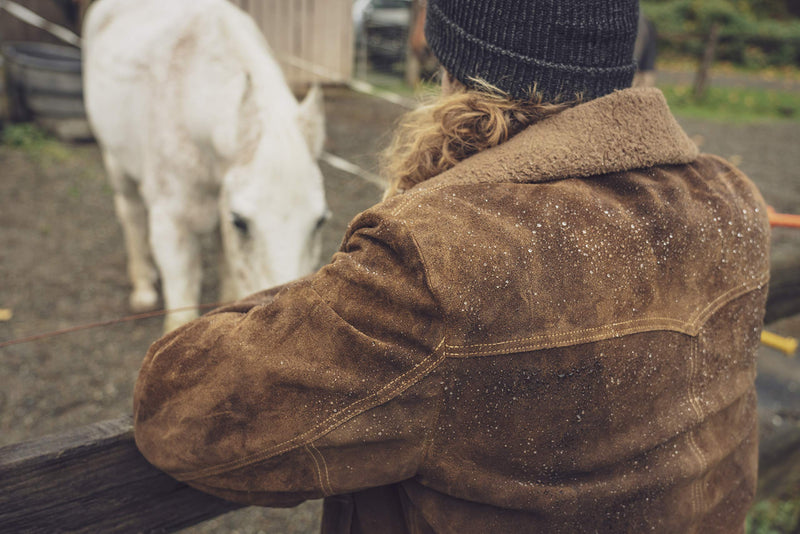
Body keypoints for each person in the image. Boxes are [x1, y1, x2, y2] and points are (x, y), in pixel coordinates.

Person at [133, 1, 771, 532]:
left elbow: (181, 413)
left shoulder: (438, 255)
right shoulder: (730, 199)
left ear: (453, 70)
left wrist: (361, 261)